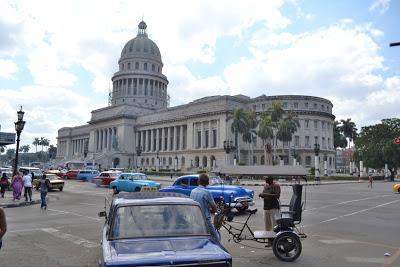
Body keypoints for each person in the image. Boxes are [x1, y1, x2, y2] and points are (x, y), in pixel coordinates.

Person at [190, 173, 219, 242]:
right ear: (208, 183)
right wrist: (216, 213)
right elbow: (214, 207)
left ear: (198, 181)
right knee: (216, 237)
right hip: (205, 220)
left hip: (195, 219)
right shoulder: (207, 193)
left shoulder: (192, 191)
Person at [259, 176, 281, 245]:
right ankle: (270, 241)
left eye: (266, 179)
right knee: (267, 226)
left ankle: (276, 240)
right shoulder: (265, 185)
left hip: (273, 207)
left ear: (271, 179)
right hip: (266, 207)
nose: (265, 180)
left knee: (275, 225)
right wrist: (261, 195)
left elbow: (277, 196)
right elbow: (263, 193)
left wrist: (265, 194)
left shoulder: (276, 186)